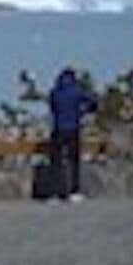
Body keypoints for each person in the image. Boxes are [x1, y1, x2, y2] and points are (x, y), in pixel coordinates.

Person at [45, 68, 97, 202]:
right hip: (73, 128)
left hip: (57, 129)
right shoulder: (77, 91)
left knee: (56, 163)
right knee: (73, 162)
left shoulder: (55, 92)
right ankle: (74, 191)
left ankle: (55, 193)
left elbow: (51, 107)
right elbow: (93, 101)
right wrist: (82, 112)